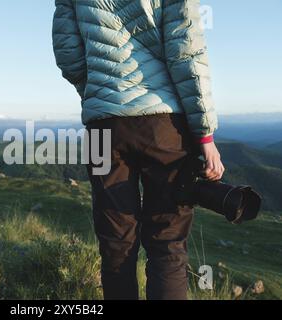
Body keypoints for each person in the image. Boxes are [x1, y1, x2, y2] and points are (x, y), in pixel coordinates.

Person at [52, 0, 225, 300]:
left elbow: (68, 52)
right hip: (164, 127)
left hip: (102, 128)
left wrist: (95, 92)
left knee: (115, 244)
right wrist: (205, 133)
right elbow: (187, 50)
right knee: (167, 245)